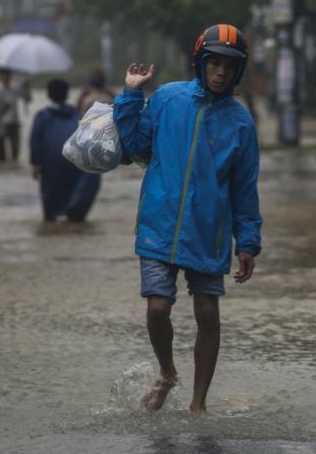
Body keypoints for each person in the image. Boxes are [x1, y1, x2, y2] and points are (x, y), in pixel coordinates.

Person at [113, 23, 263, 414]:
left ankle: (198, 403)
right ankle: (167, 372)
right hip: (158, 224)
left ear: (238, 71)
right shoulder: (166, 98)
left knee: (208, 313)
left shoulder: (242, 123)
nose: (220, 72)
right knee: (157, 308)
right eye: (214, 63)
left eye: (229, 67)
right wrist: (131, 95)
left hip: (209, 232)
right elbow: (135, 146)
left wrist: (248, 242)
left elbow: (245, 189)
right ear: (200, 63)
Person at [29, 79, 99, 222]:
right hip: (75, 161)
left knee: (51, 204)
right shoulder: (77, 115)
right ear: (67, 94)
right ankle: (73, 215)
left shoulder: (42, 116)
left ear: (48, 95)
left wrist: (35, 163)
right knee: (73, 195)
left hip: (51, 163)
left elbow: (35, 140)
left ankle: (53, 221)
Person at [0, 69, 23, 161]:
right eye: (3, 76)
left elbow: (26, 97)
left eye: (7, 76)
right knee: (1, 153)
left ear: (10, 77)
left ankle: (14, 163)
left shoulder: (16, 88)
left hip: (14, 122)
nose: (5, 78)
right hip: (1, 124)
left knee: (15, 150)